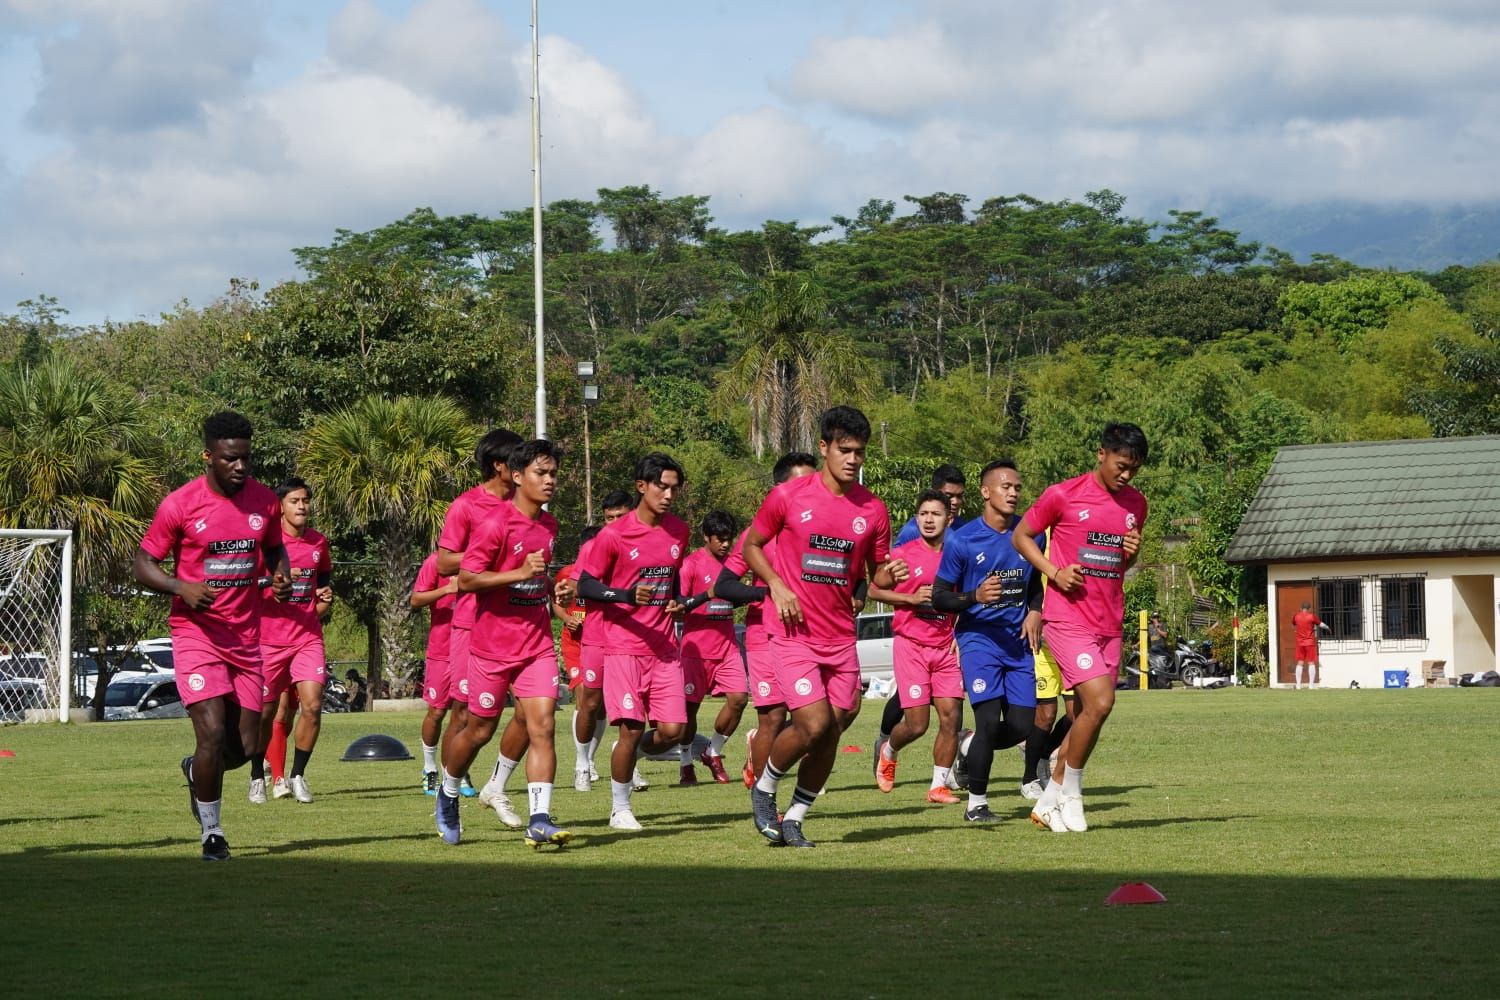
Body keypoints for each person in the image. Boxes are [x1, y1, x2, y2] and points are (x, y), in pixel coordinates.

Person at [133, 410, 291, 861]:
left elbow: (274, 546)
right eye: (230, 459)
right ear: (208, 456)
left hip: (245, 637)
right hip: (196, 634)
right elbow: (142, 563)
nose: (240, 467)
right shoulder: (180, 504)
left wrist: (281, 572)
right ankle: (212, 833)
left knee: (243, 749)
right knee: (211, 733)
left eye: (246, 459)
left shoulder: (264, 502)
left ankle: (195, 771)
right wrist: (178, 585)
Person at [741, 406, 893, 848]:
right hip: (792, 632)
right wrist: (775, 585)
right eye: (844, 450)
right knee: (812, 722)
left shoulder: (874, 509)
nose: (852, 460)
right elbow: (752, 546)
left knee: (836, 724)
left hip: (840, 637)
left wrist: (890, 575)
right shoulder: (788, 497)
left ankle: (796, 816)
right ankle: (764, 788)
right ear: (824, 447)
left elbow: (875, 574)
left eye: (860, 453)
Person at [1015, 422, 1149, 834]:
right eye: (1121, 465)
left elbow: (1114, 566)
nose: (1126, 474)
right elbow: (1022, 536)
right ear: (1102, 454)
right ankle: (1072, 793)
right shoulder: (1063, 494)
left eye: (1134, 468)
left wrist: (1132, 554)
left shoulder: (1136, 505)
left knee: (1086, 714)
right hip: (1068, 619)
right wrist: (1054, 573)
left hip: (1109, 621)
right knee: (1102, 702)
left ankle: (1050, 799)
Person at [438, 439, 568, 848]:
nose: (549, 481)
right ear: (516, 476)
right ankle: (448, 791)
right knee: (478, 731)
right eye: (540, 474)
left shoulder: (550, 526)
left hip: (537, 646)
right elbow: (467, 579)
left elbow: (536, 577)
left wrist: (553, 589)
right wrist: (516, 573)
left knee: (543, 725)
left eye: (552, 474)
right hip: (491, 648)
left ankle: (540, 818)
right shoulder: (495, 523)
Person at [577, 453, 692, 832]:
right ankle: (620, 808)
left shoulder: (679, 531)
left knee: (674, 731)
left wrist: (674, 600)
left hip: (664, 649)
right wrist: (625, 596)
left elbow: (670, 577)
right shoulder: (613, 535)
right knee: (630, 727)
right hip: (623, 646)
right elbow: (587, 586)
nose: (669, 494)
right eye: (662, 486)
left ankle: (626, 754)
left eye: (674, 487)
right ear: (642, 486)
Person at [929, 461, 1044, 823]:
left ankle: (967, 745)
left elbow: (1035, 585)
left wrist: (1035, 611)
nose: (1012, 493)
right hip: (978, 640)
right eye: (1005, 486)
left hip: (1018, 642)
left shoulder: (1031, 534)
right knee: (989, 721)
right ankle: (976, 803)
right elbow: (939, 596)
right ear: (985, 492)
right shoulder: (962, 540)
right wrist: (975, 596)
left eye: (1017, 488)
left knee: (1025, 725)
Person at [434, 428, 527, 823]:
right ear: (499, 466)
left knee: (532, 714)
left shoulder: (529, 507)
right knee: (466, 718)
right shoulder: (467, 506)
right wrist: (491, 554)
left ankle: (496, 786)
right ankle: (448, 789)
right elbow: (443, 562)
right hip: (472, 623)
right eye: (518, 460)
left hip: (522, 625)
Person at [714, 452, 818, 789]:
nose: (810, 491)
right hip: (765, 638)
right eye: (801, 484)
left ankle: (788, 768)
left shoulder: (822, 528)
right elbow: (724, 585)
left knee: (824, 716)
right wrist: (768, 593)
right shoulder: (755, 536)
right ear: (778, 490)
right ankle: (763, 798)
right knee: (773, 717)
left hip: (815, 636)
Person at [869, 490, 962, 804]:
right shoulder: (902, 554)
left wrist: (960, 635)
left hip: (946, 648)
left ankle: (938, 786)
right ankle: (889, 749)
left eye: (936, 514)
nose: (929, 520)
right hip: (911, 646)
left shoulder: (959, 555)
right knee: (917, 724)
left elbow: (968, 601)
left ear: (948, 518)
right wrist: (909, 598)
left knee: (952, 718)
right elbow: (875, 590)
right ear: (916, 517)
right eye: (923, 514)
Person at [251, 477, 333, 805]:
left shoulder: (318, 544)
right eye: (295, 501)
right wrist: (274, 581)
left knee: (313, 705)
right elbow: (247, 586)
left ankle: (298, 775)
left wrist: (324, 598)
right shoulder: (265, 546)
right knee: (266, 713)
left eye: (306, 501)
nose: (302, 506)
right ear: (280, 507)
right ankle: (258, 774)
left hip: (307, 638)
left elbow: (323, 593)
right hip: (269, 640)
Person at [567, 490, 635, 792]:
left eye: (620, 517)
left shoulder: (646, 544)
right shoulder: (592, 548)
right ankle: (582, 763)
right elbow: (576, 585)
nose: (614, 523)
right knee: (591, 703)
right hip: (596, 635)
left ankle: (629, 764)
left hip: (633, 637)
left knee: (630, 708)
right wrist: (566, 593)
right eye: (609, 518)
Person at [675, 510, 746, 785]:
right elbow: (679, 606)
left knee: (739, 699)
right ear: (706, 537)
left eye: (730, 539)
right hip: (696, 650)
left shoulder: (734, 566)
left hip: (727, 647)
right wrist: (707, 595)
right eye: (720, 539)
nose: (726, 544)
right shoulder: (691, 565)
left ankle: (712, 752)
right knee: (688, 712)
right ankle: (685, 763)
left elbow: (733, 598)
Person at [411, 551, 457, 794]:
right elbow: (416, 600)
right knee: (437, 712)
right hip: (442, 650)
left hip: (474, 649)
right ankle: (429, 769)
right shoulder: (435, 561)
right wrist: (446, 590)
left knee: (465, 714)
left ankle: (456, 772)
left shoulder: (483, 558)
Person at [894, 465, 968, 545]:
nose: (955, 502)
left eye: (959, 496)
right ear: (934, 492)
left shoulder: (963, 527)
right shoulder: (913, 531)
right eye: (949, 496)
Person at [1292, 601, 1326, 689]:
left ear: (1301, 608)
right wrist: (1328, 627)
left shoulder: (1296, 616)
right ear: (1309, 609)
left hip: (1300, 643)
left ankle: (1298, 685)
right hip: (1309, 642)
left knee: (1300, 662)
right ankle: (1311, 685)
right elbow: (1321, 624)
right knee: (1311, 662)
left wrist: (1297, 630)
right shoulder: (1311, 616)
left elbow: (1293, 625)